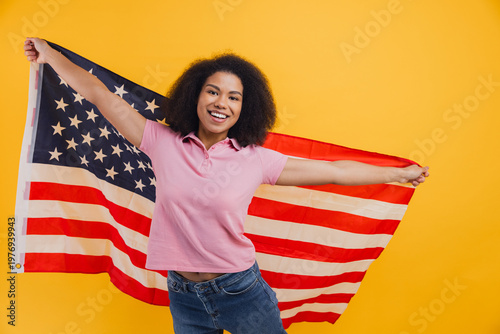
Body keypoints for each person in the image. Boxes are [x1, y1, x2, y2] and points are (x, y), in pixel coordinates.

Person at [24, 37, 429, 334]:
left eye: (233, 98)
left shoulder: (257, 158)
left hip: (242, 292)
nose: (222, 103)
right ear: (195, 96)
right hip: (183, 294)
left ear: (244, 108)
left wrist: (398, 174)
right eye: (213, 91)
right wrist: (49, 54)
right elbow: (102, 97)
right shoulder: (160, 141)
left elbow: (337, 172)